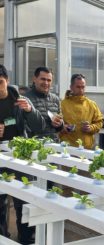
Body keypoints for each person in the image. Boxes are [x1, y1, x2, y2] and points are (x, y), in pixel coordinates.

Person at [0, 64, 45, 244]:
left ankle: (26, 239)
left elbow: (39, 126)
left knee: (23, 201)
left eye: (0, 82)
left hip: (19, 157)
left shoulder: (20, 100)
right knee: (0, 203)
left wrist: (30, 110)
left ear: (7, 81)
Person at [59, 74, 103, 149]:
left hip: (86, 148)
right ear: (71, 87)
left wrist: (91, 127)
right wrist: (63, 127)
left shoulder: (91, 104)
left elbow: (99, 122)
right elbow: (56, 123)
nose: (81, 90)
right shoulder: (62, 104)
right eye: (78, 87)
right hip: (67, 148)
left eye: (83, 87)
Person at [25, 67, 63, 141]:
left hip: (53, 144)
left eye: (49, 80)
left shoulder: (55, 99)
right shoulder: (25, 99)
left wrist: (60, 124)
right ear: (34, 79)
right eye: (43, 79)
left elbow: (60, 123)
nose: (46, 83)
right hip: (34, 145)